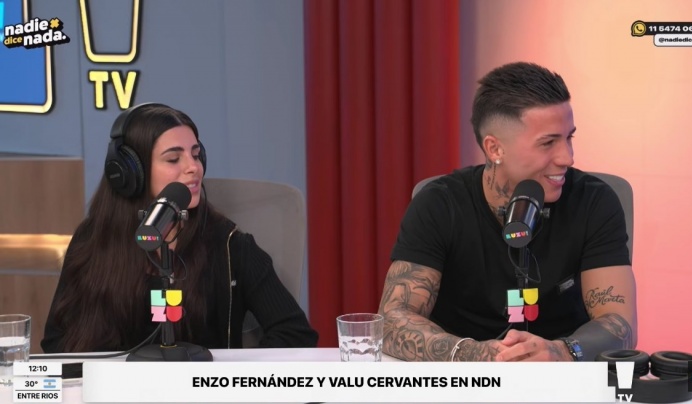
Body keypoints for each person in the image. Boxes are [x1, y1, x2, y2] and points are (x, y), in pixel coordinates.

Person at [378, 62, 637, 362]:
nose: (567, 157)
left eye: (569, 138)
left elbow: (620, 324)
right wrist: (479, 355)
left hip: (562, 376)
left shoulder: (594, 201)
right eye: (548, 143)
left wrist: (561, 351)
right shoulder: (439, 204)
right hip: (465, 379)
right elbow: (391, 322)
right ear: (495, 149)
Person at [42, 103, 318, 353]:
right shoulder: (92, 241)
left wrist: (232, 381)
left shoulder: (230, 245)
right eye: (174, 159)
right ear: (130, 173)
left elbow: (295, 334)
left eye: (196, 155)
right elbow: (57, 343)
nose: (193, 168)